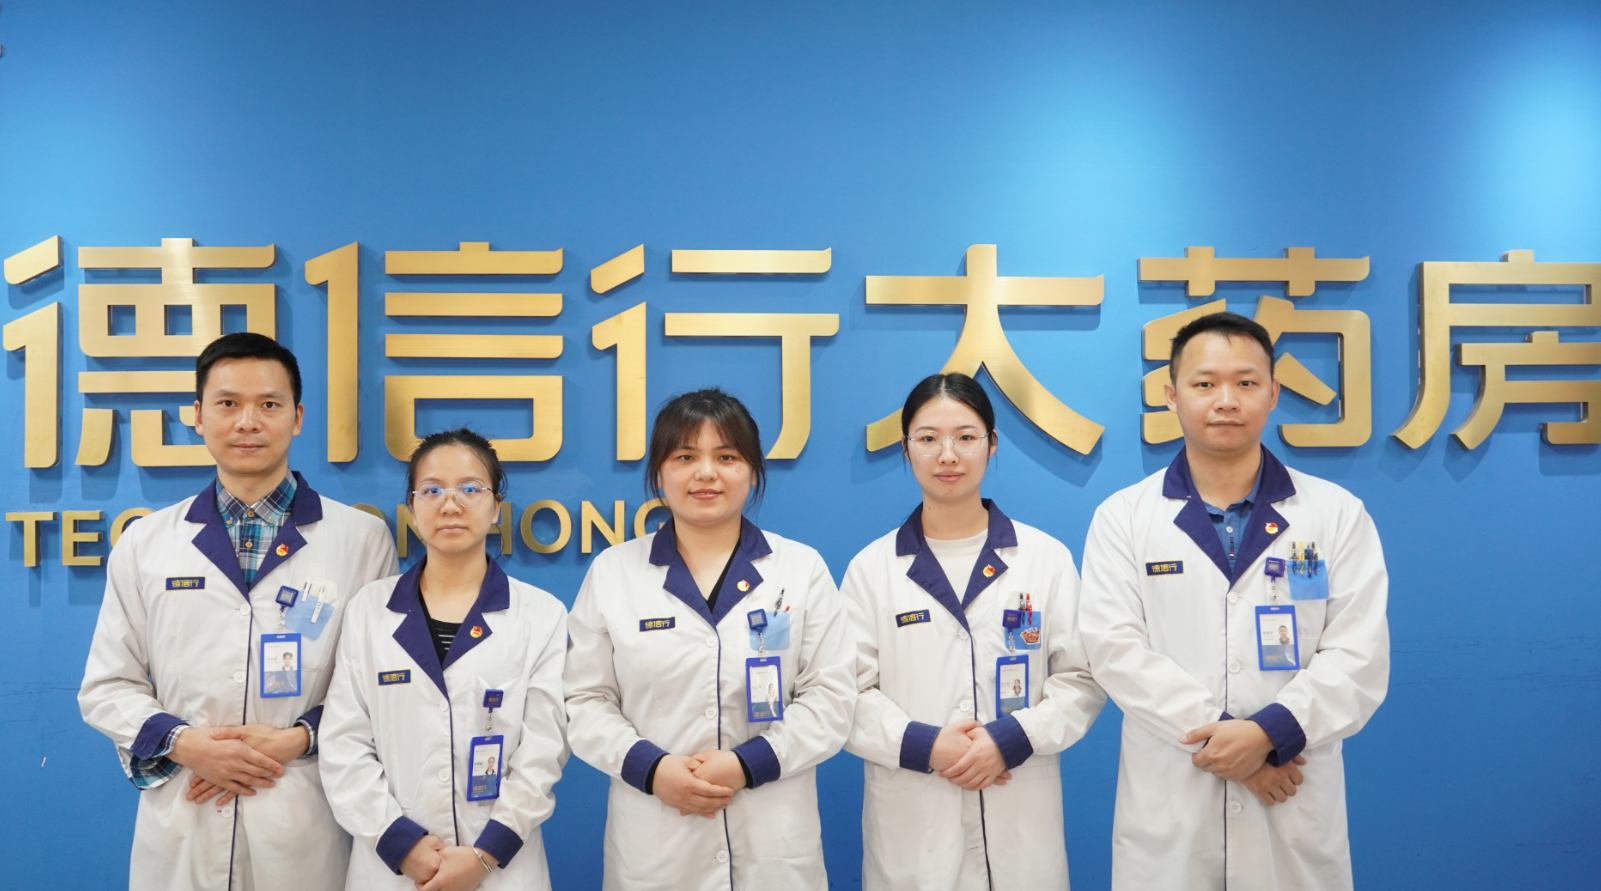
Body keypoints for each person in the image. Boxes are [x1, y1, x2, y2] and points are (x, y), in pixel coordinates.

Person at [1078, 312, 1390, 890]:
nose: (1226, 400)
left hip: (1291, 786)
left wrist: (1269, 734)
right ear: (1171, 395)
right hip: (1175, 795)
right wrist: (1229, 740)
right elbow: (1114, 650)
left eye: (1246, 382)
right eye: (1204, 383)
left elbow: (1359, 654)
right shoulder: (1124, 517)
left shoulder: (1335, 514)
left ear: (1273, 393)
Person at [78, 332, 398, 891]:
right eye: (228, 403)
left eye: (269, 404)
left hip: (302, 810)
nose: (248, 422)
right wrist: (188, 745)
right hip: (186, 808)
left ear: (297, 418)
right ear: (198, 416)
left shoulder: (362, 539)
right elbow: (107, 686)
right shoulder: (147, 543)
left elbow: (380, 687)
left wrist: (298, 738)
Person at [564, 388, 856, 891]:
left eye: (726, 457)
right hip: (657, 843)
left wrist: (747, 764)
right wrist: (653, 770)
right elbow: (584, 700)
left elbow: (831, 696)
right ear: (659, 473)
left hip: (773, 840)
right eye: (684, 457)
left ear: (753, 471)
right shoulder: (614, 572)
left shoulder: (800, 569)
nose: (705, 473)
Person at [841, 372, 1105, 891]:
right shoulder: (871, 569)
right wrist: (925, 745)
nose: (948, 455)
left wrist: (1012, 739)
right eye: (928, 438)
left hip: (1020, 817)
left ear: (992, 444)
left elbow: (1082, 679)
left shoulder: (1044, 559)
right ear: (906, 448)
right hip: (915, 826)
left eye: (965, 437)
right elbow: (845, 693)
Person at [319, 429, 568, 890]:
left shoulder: (541, 614)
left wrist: (485, 855)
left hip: (499, 868)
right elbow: (343, 743)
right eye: (432, 490)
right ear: (412, 509)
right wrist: (401, 844)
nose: (450, 505)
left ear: (496, 506)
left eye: (470, 488)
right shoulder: (369, 611)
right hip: (393, 868)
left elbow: (544, 750)